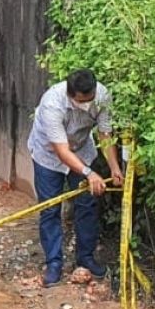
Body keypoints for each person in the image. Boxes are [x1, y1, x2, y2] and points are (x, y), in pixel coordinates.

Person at [27, 68, 124, 286]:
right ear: (72, 96)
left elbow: (104, 134)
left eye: (90, 99)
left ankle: (86, 258)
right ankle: (54, 263)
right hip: (49, 156)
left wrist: (115, 168)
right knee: (50, 208)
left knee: (87, 204)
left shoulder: (102, 95)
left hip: (81, 149)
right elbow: (61, 151)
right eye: (83, 101)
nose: (88, 105)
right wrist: (90, 174)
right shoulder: (52, 103)